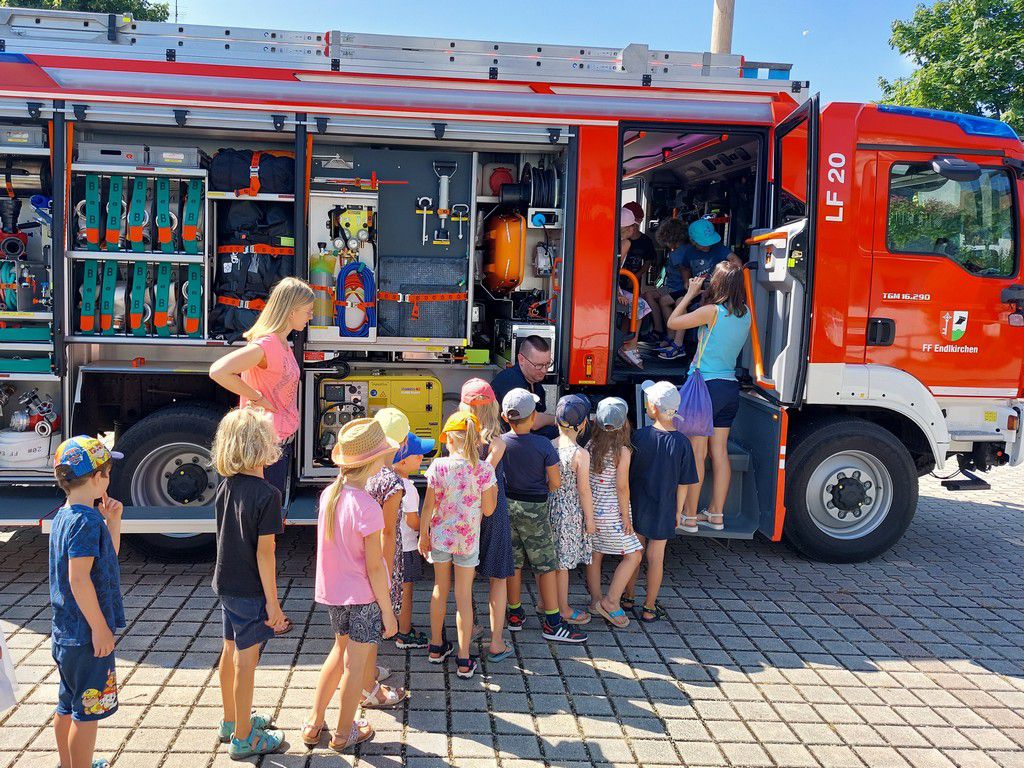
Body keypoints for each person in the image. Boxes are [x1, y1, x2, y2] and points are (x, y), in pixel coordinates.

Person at [304, 419, 399, 753]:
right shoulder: (369, 507)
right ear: (373, 462)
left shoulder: (330, 494)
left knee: (338, 653)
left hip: (335, 597)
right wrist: (388, 611)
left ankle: (314, 723)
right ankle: (345, 733)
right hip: (364, 599)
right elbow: (375, 566)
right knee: (355, 668)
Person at [210, 408, 286, 759]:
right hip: (251, 589)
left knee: (230, 650)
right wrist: (273, 602)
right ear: (263, 446)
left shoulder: (226, 486)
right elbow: (265, 553)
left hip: (225, 582)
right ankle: (243, 737)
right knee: (246, 661)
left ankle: (230, 721)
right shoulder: (268, 495)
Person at [48, 436, 126, 768]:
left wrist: (114, 523)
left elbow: (104, 563)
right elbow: (79, 579)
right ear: (97, 478)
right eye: (107, 472)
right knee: (87, 714)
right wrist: (100, 629)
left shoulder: (67, 516)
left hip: (67, 633)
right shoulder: (84, 522)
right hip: (86, 636)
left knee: (67, 706)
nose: (109, 479)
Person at [209, 276, 315, 503]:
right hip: (263, 448)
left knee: (267, 517)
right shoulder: (267, 345)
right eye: (307, 310)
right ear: (291, 311)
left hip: (274, 444)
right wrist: (257, 398)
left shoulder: (282, 344)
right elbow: (219, 370)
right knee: (263, 520)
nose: (310, 316)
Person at [667, 261, 752, 531]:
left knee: (697, 452)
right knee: (720, 453)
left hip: (706, 387)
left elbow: (673, 322)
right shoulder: (746, 313)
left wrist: (691, 294)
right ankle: (716, 514)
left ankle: (689, 517)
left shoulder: (711, 312)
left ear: (718, 284)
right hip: (729, 387)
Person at [501, 388, 587, 643]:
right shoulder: (542, 445)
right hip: (536, 510)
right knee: (546, 565)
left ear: (506, 418)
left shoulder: (500, 442)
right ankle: (552, 622)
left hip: (508, 506)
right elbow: (556, 482)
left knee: (514, 563)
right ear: (533, 418)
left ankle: (514, 614)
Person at [419, 411, 497, 678]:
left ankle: (435, 647)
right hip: (467, 540)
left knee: (440, 589)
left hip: (440, 537)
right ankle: (464, 660)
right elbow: (488, 511)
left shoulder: (438, 466)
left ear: (449, 440)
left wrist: (423, 534)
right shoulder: (484, 469)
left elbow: (428, 505)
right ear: (477, 441)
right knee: (463, 596)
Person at [624, 381, 698, 623]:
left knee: (634, 554)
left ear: (653, 408)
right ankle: (649, 607)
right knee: (656, 558)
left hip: (637, 504)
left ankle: (627, 598)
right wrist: (679, 510)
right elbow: (685, 482)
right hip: (665, 507)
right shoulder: (682, 443)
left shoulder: (640, 437)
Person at [460, 378, 515, 663]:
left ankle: (467, 631)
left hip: (464, 513)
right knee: (498, 578)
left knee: (465, 577)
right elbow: (485, 476)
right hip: (492, 510)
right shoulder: (498, 442)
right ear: (493, 406)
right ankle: (496, 642)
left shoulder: (457, 439)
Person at [361, 407, 411, 708]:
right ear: (401, 442)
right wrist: (387, 572)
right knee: (372, 623)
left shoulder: (364, 471)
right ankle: (367, 686)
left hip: (360, 556)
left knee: (364, 624)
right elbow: (388, 533)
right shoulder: (392, 483)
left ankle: (367, 670)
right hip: (379, 560)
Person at [584, 399, 643, 629]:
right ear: (624, 424)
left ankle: (595, 600)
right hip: (612, 514)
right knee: (634, 555)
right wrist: (626, 517)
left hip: (592, 511)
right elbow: (622, 487)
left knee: (595, 554)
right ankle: (610, 601)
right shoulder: (623, 451)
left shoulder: (590, 446)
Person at [549, 394, 596, 625]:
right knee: (563, 565)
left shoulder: (549, 447)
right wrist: (590, 520)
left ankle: (546, 602)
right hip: (569, 513)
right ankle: (563, 608)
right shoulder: (581, 454)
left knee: (549, 562)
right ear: (584, 423)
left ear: (556, 422)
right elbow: (584, 490)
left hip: (550, 508)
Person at [659, 219, 734, 361]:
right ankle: (671, 336)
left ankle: (678, 344)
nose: (707, 246)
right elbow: (684, 267)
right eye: (703, 243)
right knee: (664, 300)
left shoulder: (719, 248)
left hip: (714, 291)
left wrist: (723, 279)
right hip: (696, 288)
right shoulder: (689, 252)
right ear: (693, 241)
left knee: (681, 301)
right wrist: (687, 280)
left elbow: (736, 262)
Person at [392, 432, 435, 650]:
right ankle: (404, 633)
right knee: (406, 591)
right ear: (402, 461)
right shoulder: (408, 488)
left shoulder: (382, 481)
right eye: (418, 455)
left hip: (387, 547)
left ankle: (387, 625)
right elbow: (412, 522)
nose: (422, 458)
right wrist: (427, 529)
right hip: (406, 548)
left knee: (388, 588)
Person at [490, 335, 557, 439]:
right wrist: (558, 420)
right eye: (538, 365)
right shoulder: (511, 380)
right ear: (521, 359)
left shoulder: (535, 383)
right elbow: (533, 422)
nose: (544, 370)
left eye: (547, 364)